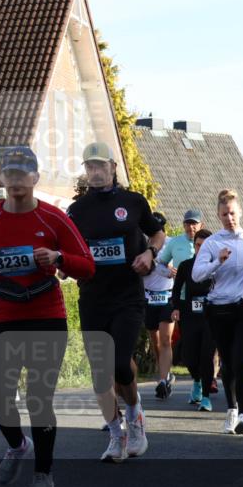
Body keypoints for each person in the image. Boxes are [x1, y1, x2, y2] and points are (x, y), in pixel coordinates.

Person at [0, 147, 95, 487]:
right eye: (10, 173)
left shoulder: (53, 218)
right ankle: (16, 443)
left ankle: (43, 474)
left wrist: (58, 258)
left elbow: (87, 265)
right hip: (4, 314)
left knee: (40, 398)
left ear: (35, 178)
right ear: (2, 179)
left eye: (24, 173)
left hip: (45, 314)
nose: (16, 180)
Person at [67, 141, 165, 462]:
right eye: (89, 167)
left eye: (100, 165)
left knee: (120, 362)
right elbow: (67, 248)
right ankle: (115, 434)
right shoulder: (78, 210)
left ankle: (135, 415)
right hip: (93, 297)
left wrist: (149, 253)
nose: (95, 172)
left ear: (112, 167)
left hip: (127, 296)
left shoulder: (133, 202)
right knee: (99, 373)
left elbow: (158, 234)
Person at [192, 189, 243, 435]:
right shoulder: (212, 243)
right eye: (224, 214)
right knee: (227, 363)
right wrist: (217, 262)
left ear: (240, 212)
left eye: (233, 213)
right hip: (218, 311)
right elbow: (196, 275)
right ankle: (232, 409)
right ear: (218, 215)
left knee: (241, 360)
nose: (229, 218)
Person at [171, 229, 216, 411]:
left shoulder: (216, 266)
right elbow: (177, 289)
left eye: (205, 246)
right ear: (194, 246)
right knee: (189, 356)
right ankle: (196, 381)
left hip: (211, 316)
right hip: (189, 315)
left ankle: (205, 397)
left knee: (206, 355)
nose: (201, 249)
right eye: (198, 245)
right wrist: (176, 308)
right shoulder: (186, 266)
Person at [143, 212, 176, 400]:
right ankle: (165, 373)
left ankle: (163, 381)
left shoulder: (171, 244)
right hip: (148, 298)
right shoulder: (142, 244)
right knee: (155, 342)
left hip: (167, 297)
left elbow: (175, 269)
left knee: (165, 340)